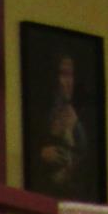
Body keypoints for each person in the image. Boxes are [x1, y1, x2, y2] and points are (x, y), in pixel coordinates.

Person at [34, 54, 90, 197]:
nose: (67, 82)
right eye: (63, 75)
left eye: (70, 75)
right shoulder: (40, 111)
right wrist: (41, 155)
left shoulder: (76, 116)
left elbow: (83, 157)